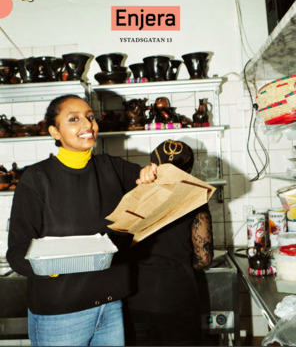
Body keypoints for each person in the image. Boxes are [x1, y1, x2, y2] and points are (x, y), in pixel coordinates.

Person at [6, 94, 157, 347]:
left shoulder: (111, 168)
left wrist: (151, 173)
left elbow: (158, 182)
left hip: (109, 305)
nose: (88, 125)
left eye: (90, 117)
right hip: (61, 313)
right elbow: (18, 252)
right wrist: (57, 266)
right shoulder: (37, 178)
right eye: (74, 119)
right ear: (55, 132)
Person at [124, 139, 213, 346]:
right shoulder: (194, 199)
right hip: (178, 295)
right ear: (188, 169)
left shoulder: (133, 194)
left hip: (136, 295)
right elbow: (204, 257)